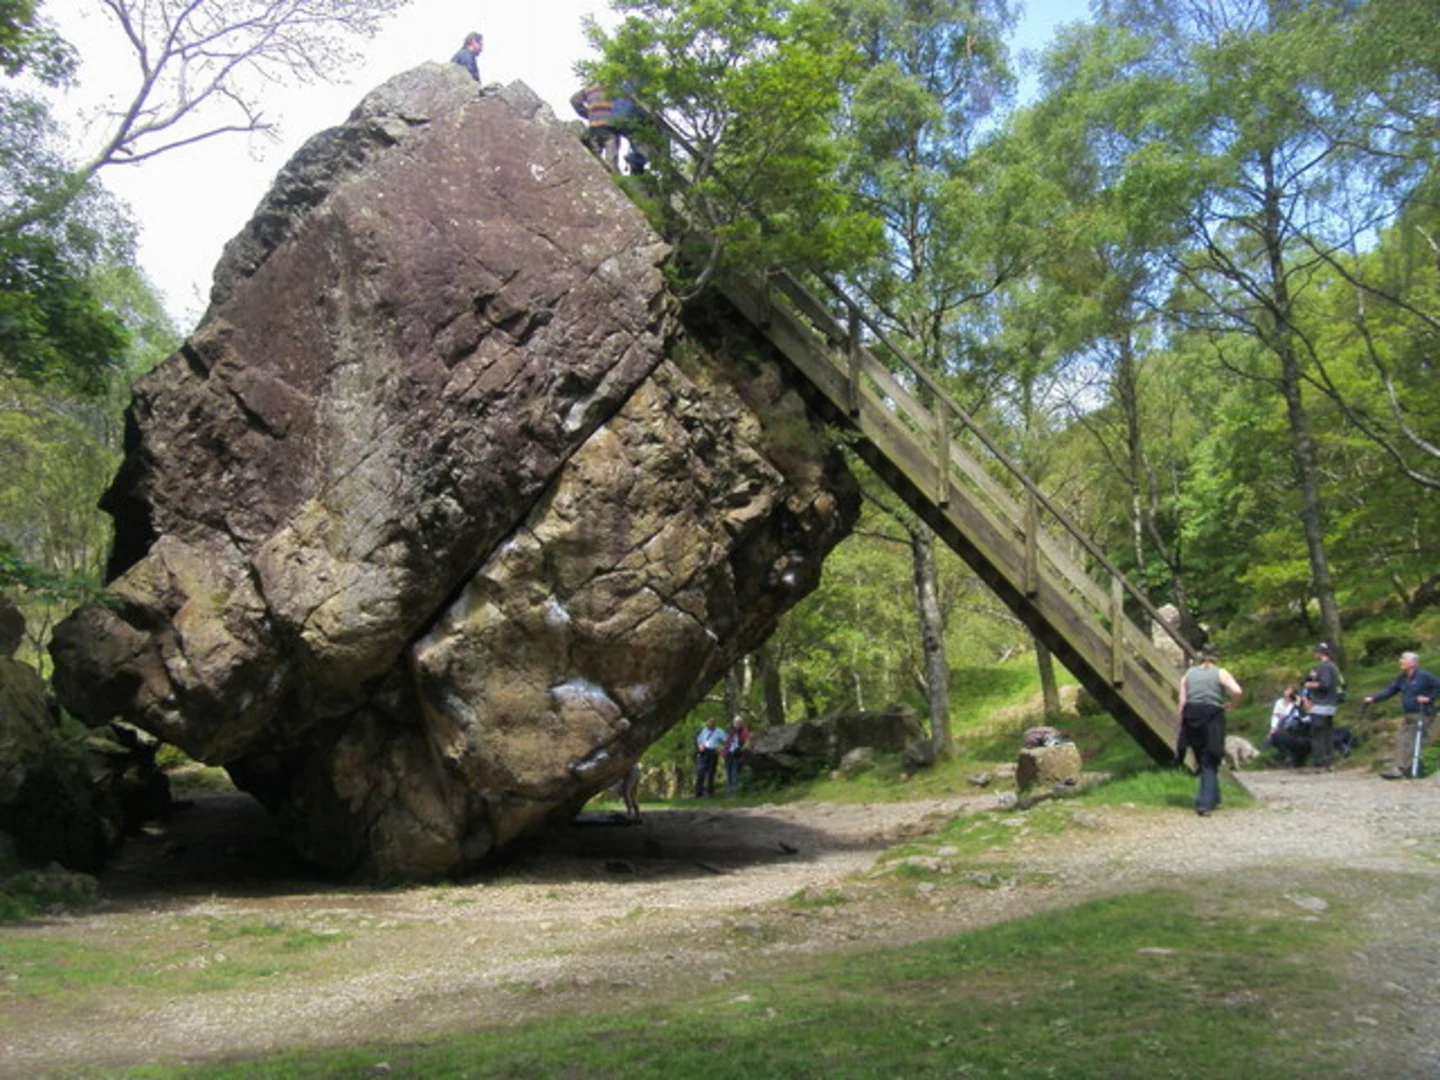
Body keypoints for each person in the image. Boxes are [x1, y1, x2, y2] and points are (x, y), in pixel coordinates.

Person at [1176, 648, 1243, 816]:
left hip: (1192, 716)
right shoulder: (1220, 673)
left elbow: (1182, 702)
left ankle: (1214, 797)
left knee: (1202, 758)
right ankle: (1204, 804)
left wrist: (1182, 722)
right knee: (1210, 759)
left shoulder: (1188, 674)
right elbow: (1237, 691)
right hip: (1211, 716)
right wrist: (1232, 705)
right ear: (1215, 659)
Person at [1363, 651, 1440, 779]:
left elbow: (1439, 686)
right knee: (1402, 740)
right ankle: (1401, 768)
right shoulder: (1402, 678)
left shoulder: (1424, 676)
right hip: (1408, 714)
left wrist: (1429, 698)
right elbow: (1390, 690)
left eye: (1403, 659)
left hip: (1422, 713)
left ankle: (1403, 769)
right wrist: (1373, 698)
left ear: (1413, 663)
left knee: (1411, 740)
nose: (1401, 662)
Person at [569, 84, 648, 174]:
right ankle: (614, 178)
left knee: (594, 155)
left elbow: (574, 100)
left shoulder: (590, 88)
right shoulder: (618, 90)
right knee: (611, 160)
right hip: (611, 128)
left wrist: (588, 114)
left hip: (595, 126)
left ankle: (590, 174)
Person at [1303, 642, 1343, 768]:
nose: (1315, 654)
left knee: (1318, 735)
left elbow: (1325, 684)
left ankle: (1320, 762)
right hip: (1330, 706)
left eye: (1316, 652)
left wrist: (1310, 684)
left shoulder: (1324, 667)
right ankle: (1329, 761)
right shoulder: (1333, 666)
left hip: (1321, 706)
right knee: (1327, 733)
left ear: (1321, 653)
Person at [1266, 685, 1310, 767]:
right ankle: (1288, 757)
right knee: (1276, 736)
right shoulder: (1290, 705)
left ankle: (1296, 759)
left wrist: (1299, 706)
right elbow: (1283, 718)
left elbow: (1306, 720)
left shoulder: (1304, 708)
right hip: (1294, 734)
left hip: (1305, 738)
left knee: (1292, 739)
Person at [694, 717, 727, 797]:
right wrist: (700, 745)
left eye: (712, 724)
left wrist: (721, 748)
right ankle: (699, 792)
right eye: (709, 724)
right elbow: (699, 739)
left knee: (711, 772)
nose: (710, 725)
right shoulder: (704, 730)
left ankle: (710, 791)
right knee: (700, 772)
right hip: (703, 752)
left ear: (714, 724)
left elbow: (727, 740)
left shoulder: (719, 731)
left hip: (713, 752)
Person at [724, 718, 750, 791]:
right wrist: (724, 751)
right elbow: (727, 743)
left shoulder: (744, 731)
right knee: (728, 771)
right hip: (729, 754)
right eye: (735, 723)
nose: (737, 725)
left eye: (738, 723)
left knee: (734, 772)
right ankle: (729, 788)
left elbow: (747, 743)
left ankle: (735, 789)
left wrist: (741, 750)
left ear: (741, 723)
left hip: (737, 754)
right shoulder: (732, 732)